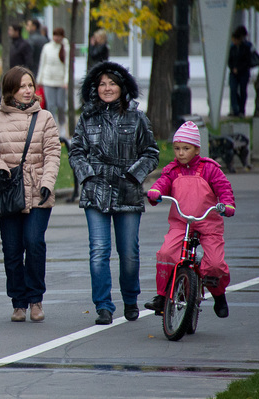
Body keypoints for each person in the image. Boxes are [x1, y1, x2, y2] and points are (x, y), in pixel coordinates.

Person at [68, 61, 159, 325]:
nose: (107, 88)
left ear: (122, 87)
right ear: (95, 88)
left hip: (127, 191)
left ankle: (130, 299)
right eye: (102, 84)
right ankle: (103, 306)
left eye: (112, 83)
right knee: (98, 250)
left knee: (129, 251)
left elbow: (151, 153)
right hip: (96, 190)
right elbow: (76, 152)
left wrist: (133, 175)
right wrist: (88, 175)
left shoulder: (136, 117)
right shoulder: (87, 117)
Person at [0, 66, 61, 323]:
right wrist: (0, 168)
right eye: (22, 87)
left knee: (34, 242)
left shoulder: (45, 117)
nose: (28, 91)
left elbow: (52, 154)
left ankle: (35, 299)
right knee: (12, 250)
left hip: (38, 191)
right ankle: (18, 302)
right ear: (10, 90)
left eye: (30, 86)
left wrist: (47, 181)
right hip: (10, 192)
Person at [144, 121, 235, 318]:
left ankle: (219, 295)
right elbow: (162, 183)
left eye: (186, 148)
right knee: (167, 253)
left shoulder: (210, 169)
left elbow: (223, 188)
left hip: (208, 222)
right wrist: (155, 192)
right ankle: (162, 295)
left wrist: (227, 204)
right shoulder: (172, 170)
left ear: (196, 149)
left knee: (214, 265)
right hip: (181, 222)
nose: (180, 153)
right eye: (177, 148)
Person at [36, 27, 69, 137]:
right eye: (55, 35)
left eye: (59, 35)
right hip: (48, 80)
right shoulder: (47, 47)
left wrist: (66, 80)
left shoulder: (65, 47)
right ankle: (52, 128)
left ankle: (62, 126)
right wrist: (39, 80)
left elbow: (68, 65)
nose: (56, 38)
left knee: (60, 105)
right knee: (51, 105)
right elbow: (42, 63)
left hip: (60, 81)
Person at [227, 26, 253, 117]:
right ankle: (235, 109)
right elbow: (229, 60)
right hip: (234, 72)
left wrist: (239, 69)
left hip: (243, 73)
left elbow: (247, 62)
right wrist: (232, 68)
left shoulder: (246, 47)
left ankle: (241, 110)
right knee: (233, 90)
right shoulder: (232, 48)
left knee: (242, 90)